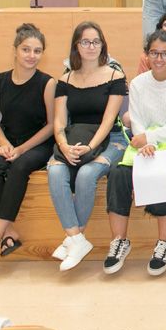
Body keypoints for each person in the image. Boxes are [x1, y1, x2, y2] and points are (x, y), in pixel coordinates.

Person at [104, 30, 166, 276]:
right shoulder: (137, 83)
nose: (159, 58)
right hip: (142, 144)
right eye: (154, 53)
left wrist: (152, 140)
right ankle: (119, 241)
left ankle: (164, 243)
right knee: (118, 173)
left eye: (165, 53)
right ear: (146, 55)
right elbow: (137, 119)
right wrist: (144, 141)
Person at [47, 22, 127, 271]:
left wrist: (90, 148)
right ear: (76, 46)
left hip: (110, 139)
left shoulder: (115, 76)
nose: (91, 47)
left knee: (86, 173)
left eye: (96, 42)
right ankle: (76, 238)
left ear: (103, 45)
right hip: (75, 139)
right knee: (55, 171)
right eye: (85, 42)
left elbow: (108, 120)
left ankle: (73, 239)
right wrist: (64, 145)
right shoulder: (65, 79)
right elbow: (59, 122)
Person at [0, 24, 57, 261]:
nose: (31, 55)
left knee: (19, 167)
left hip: (37, 144)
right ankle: (9, 231)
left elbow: (52, 125)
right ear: (15, 50)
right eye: (26, 49)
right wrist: (3, 145)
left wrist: (21, 149)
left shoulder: (47, 83)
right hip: (7, 141)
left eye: (37, 51)